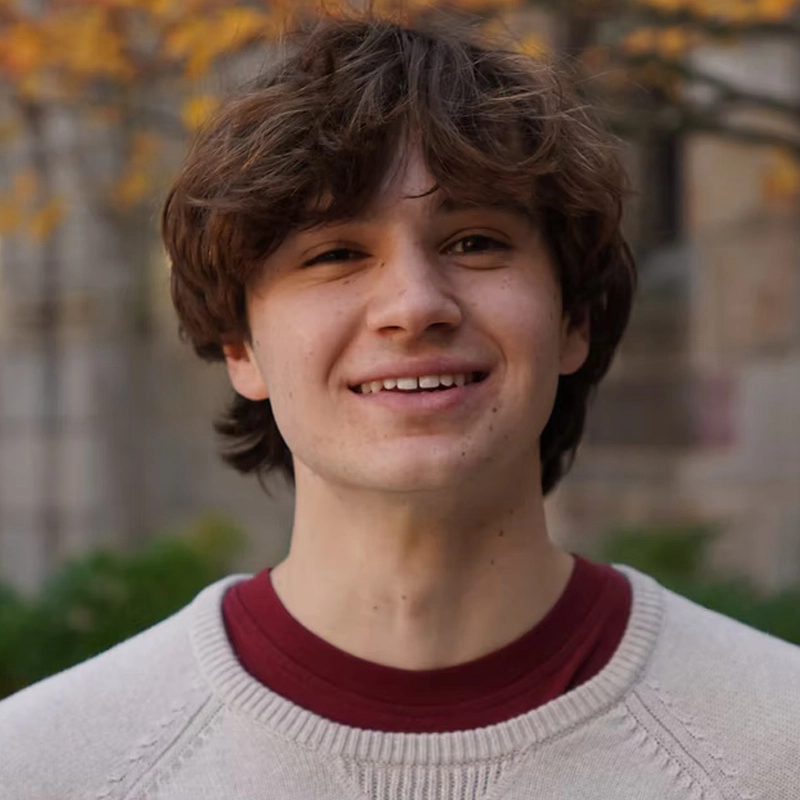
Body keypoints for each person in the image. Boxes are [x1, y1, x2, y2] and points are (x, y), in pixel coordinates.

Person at [1, 13, 799, 800]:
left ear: (572, 320)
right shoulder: (47, 768)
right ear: (239, 346)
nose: (415, 305)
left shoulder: (777, 746)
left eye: (475, 241)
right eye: (336, 254)